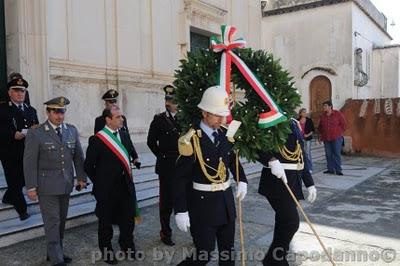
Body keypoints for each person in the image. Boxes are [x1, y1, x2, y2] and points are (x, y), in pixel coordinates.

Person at [174, 85, 248, 266]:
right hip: (202, 206)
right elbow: (179, 179)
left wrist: (242, 180)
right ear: (204, 113)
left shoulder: (224, 134)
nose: (222, 119)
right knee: (204, 255)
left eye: (223, 114)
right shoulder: (191, 140)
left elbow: (231, 160)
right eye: (217, 114)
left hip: (225, 202)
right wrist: (181, 210)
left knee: (228, 254)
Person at [24, 96, 87, 266]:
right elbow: (29, 162)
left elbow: (78, 157)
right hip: (46, 186)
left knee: (61, 222)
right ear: (48, 112)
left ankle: (54, 252)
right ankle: (57, 259)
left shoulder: (71, 130)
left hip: (66, 184)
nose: (60, 116)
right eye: (56, 112)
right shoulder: (36, 132)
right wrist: (31, 186)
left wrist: (81, 178)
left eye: (62, 112)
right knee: (52, 222)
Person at [84, 105, 140, 265]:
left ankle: (127, 245)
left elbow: (128, 153)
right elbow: (88, 166)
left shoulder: (124, 134)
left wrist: (135, 159)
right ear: (108, 119)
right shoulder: (97, 139)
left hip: (125, 186)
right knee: (106, 222)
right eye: (118, 117)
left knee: (128, 220)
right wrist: (101, 183)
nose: (122, 119)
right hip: (107, 189)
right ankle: (106, 250)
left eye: (121, 116)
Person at [257, 118, 317, 266]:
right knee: (291, 222)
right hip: (277, 182)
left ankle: (277, 258)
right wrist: (270, 160)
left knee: (283, 222)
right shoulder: (270, 120)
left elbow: (300, 155)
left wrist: (309, 183)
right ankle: (273, 259)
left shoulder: (293, 123)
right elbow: (255, 145)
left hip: (293, 182)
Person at [0, 73, 39, 220]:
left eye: (22, 91)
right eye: (16, 90)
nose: (20, 93)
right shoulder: (3, 109)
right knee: (14, 180)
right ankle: (22, 210)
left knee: (23, 179)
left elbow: (36, 127)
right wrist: (12, 134)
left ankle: (8, 197)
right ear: (10, 93)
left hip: (26, 151)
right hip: (8, 151)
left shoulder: (31, 110)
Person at [147, 84, 180, 246]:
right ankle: (166, 232)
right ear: (167, 102)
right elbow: (151, 142)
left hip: (183, 165)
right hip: (167, 167)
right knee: (166, 203)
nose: (174, 103)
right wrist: (162, 156)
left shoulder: (184, 118)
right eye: (171, 100)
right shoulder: (159, 120)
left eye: (174, 100)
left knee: (187, 199)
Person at [318, 100, 346, 175]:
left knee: (336, 153)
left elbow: (343, 124)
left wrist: (339, 133)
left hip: (336, 138)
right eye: (323, 106)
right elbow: (320, 127)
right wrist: (320, 136)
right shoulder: (322, 116)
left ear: (330, 106)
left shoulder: (337, 114)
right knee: (328, 154)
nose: (324, 108)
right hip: (326, 138)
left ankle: (338, 170)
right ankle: (330, 169)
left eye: (325, 106)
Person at [298, 108, 315, 173]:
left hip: (307, 139)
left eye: (305, 112)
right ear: (300, 113)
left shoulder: (309, 120)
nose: (305, 113)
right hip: (300, 139)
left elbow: (312, 130)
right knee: (300, 153)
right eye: (303, 112)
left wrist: (307, 135)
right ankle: (302, 167)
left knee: (307, 153)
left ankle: (310, 167)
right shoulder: (297, 120)